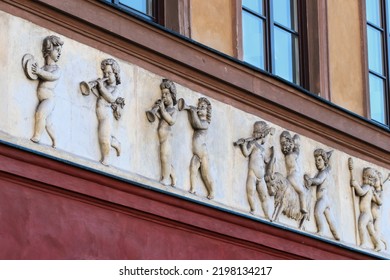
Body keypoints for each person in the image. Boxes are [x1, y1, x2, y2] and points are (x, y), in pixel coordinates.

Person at [30, 35, 64, 147]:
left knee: (40, 114)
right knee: (48, 124)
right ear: (49, 49)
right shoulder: (43, 68)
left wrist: (39, 72)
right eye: (57, 50)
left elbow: (51, 76)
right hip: (42, 98)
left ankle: (37, 136)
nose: (59, 53)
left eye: (60, 51)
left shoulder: (56, 69)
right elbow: (36, 74)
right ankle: (55, 141)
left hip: (49, 99)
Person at [235, 121, 273, 219]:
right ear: (262, 135)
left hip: (261, 177)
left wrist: (273, 155)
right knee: (250, 192)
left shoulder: (263, 149)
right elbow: (246, 153)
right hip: (253, 174)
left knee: (264, 197)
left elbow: (266, 160)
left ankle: (267, 215)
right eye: (267, 135)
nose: (267, 138)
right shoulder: (253, 144)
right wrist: (243, 144)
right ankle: (252, 209)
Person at [304, 149, 340, 240]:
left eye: (319, 160)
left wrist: (311, 180)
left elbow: (319, 181)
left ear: (325, 160)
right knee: (330, 219)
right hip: (326, 199)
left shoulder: (324, 173)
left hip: (323, 198)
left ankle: (321, 230)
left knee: (317, 212)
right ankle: (337, 235)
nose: (317, 162)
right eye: (316, 161)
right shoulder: (321, 173)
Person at [147, 79, 177, 186]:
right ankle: (173, 176)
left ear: (172, 95)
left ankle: (165, 178)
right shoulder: (164, 110)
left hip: (167, 139)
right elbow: (162, 118)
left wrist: (162, 110)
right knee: (165, 158)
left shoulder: (173, 110)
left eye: (166, 94)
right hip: (161, 139)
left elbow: (171, 121)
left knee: (165, 157)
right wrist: (155, 111)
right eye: (162, 94)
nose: (164, 96)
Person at [95, 58, 123, 166]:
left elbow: (111, 98)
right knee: (104, 135)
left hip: (106, 116)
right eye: (105, 73)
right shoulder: (105, 85)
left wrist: (101, 88)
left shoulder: (116, 88)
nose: (106, 75)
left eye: (109, 73)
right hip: (99, 115)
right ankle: (115, 143)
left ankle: (106, 158)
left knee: (103, 138)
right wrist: (96, 85)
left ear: (115, 74)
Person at [186, 97, 214, 199]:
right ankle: (193, 188)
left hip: (203, 153)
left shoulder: (205, 123)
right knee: (192, 169)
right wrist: (192, 112)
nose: (199, 109)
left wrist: (192, 112)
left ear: (207, 112)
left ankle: (212, 191)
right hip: (196, 153)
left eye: (202, 107)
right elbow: (194, 122)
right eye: (199, 107)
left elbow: (197, 124)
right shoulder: (197, 119)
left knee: (205, 174)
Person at [350, 166, 383, 251]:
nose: (363, 178)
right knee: (371, 231)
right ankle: (378, 244)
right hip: (369, 215)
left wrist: (356, 184)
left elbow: (361, 192)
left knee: (361, 225)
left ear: (367, 178)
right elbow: (378, 201)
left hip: (366, 213)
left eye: (364, 176)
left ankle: (364, 243)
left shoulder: (367, 187)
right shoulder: (371, 189)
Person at [280, 131, 308, 215]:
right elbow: (297, 152)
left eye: (284, 143)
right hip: (293, 176)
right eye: (282, 143)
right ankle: (303, 208)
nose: (283, 145)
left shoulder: (287, 156)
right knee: (302, 192)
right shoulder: (291, 155)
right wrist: (296, 144)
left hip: (290, 176)